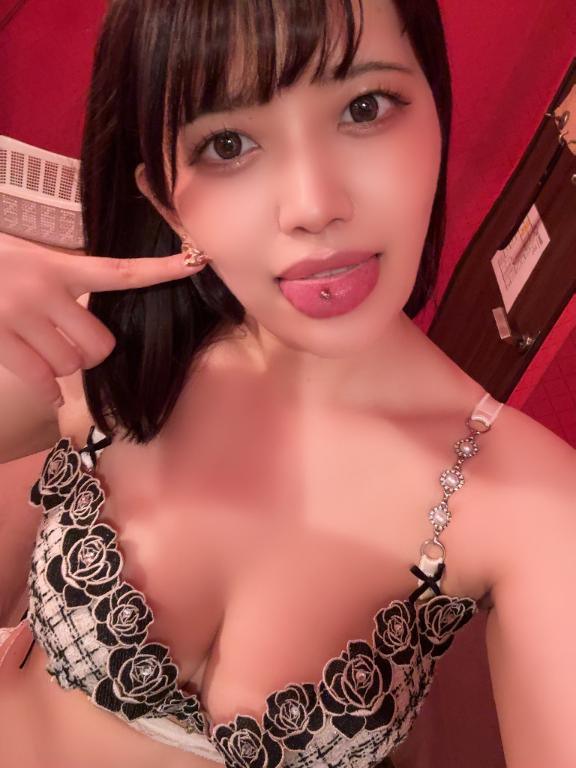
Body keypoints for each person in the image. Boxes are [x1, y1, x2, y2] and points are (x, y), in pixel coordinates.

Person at [0, 1, 574, 767]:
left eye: (364, 107)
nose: (314, 206)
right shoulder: (112, 344)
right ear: (167, 200)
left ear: (437, 114)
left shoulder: (536, 507)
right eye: (228, 144)